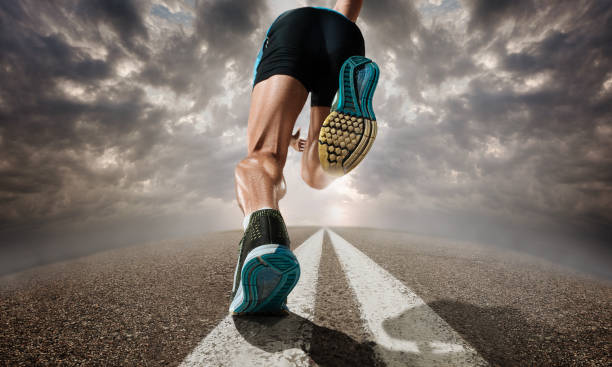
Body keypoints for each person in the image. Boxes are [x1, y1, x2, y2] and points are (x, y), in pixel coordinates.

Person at [229, 0, 379, 315]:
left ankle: (262, 234)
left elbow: (268, 154)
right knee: (314, 173)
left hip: (292, 30)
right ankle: (346, 103)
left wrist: (282, 142)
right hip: (344, 33)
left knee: (262, 158)